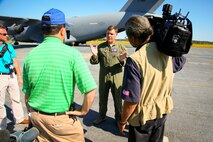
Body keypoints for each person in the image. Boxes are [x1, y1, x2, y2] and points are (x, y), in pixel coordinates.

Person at [22, 8, 97, 142]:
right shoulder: (72, 54)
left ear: (43, 31)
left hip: (37, 119)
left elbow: (27, 95)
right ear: (62, 30)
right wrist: (83, 111)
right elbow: (90, 90)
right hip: (61, 122)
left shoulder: (30, 56)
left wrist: (33, 114)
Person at [118, 16, 186, 142]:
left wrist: (123, 121)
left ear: (133, 37)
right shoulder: (166, 51)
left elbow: (132, 101)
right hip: (161, 113)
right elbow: (180, 62)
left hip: (142, 120)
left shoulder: (135, 60)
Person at [89, 25, 128, 126]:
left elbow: (125, 63)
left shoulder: (121, 47)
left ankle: (119, 118)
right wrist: (94, 55)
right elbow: (95, 62)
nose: (109, 35)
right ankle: (101, 116)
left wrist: (122, 60)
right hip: (104, 76)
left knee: (118, 99)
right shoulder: (101, 47)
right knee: (102, 97)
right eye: (107, 33)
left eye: (111, 34)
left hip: (117, 76)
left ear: (116, 35)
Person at [0, 24, 28, 130]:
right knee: (0, 103)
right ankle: (2, 126)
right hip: (1, 77)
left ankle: (19, 119)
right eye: (3, 34)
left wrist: (19, 77)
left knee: (16, 98)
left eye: (6, 33)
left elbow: (15, 62)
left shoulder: (9, 47)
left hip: (11, 76)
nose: (6, 35)